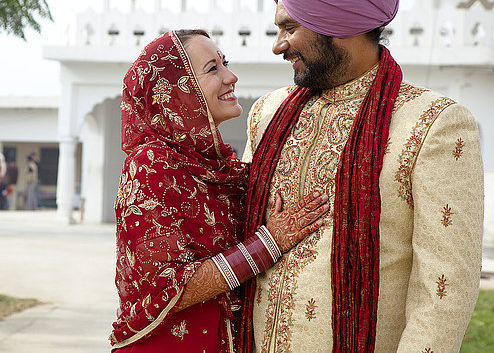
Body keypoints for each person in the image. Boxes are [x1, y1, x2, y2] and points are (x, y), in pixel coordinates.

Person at [236, 0, 484, 352]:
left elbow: (443, 290)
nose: (278, 46)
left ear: (339, 23)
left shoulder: (433, 123)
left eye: (289, 27)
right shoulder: (268, 112)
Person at [109, 30, 330, 351]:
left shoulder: (220, 166)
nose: (231, 76)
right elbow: (169, 287)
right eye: (213, 69)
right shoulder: (151, 164)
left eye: (224, 63)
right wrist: (270, 243)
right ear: (173, 93)